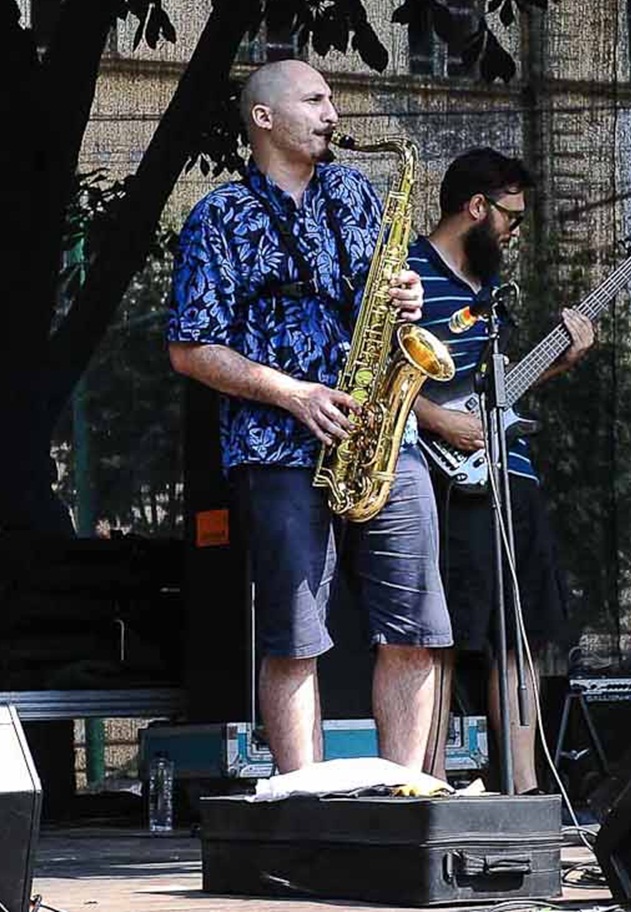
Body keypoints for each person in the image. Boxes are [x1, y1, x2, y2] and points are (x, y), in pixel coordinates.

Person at [167, 59, 442, 773]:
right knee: (294, 640)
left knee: (414, 628)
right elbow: (190, 348)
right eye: (315, 100)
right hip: (278, 446)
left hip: (384, 434)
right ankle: (303, 798)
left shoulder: (355, 193)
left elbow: (390, 296)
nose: (332, 114)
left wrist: (408, 298)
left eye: (331, 99)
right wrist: (293, 394)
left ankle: (405, 791)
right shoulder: (219, 217)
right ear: (264, 118)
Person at [407, 148, 594, 793]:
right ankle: (428, 782)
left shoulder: (489, 292)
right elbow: (374, 376)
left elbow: (497, 393)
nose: (515, 230)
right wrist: (439, 420)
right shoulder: (409, 275)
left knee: (520, 630)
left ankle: (524, 785)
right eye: (510, 216)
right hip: (440, 477)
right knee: (443, 631)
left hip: (509, 472)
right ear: (476, 207)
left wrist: (560, 363)